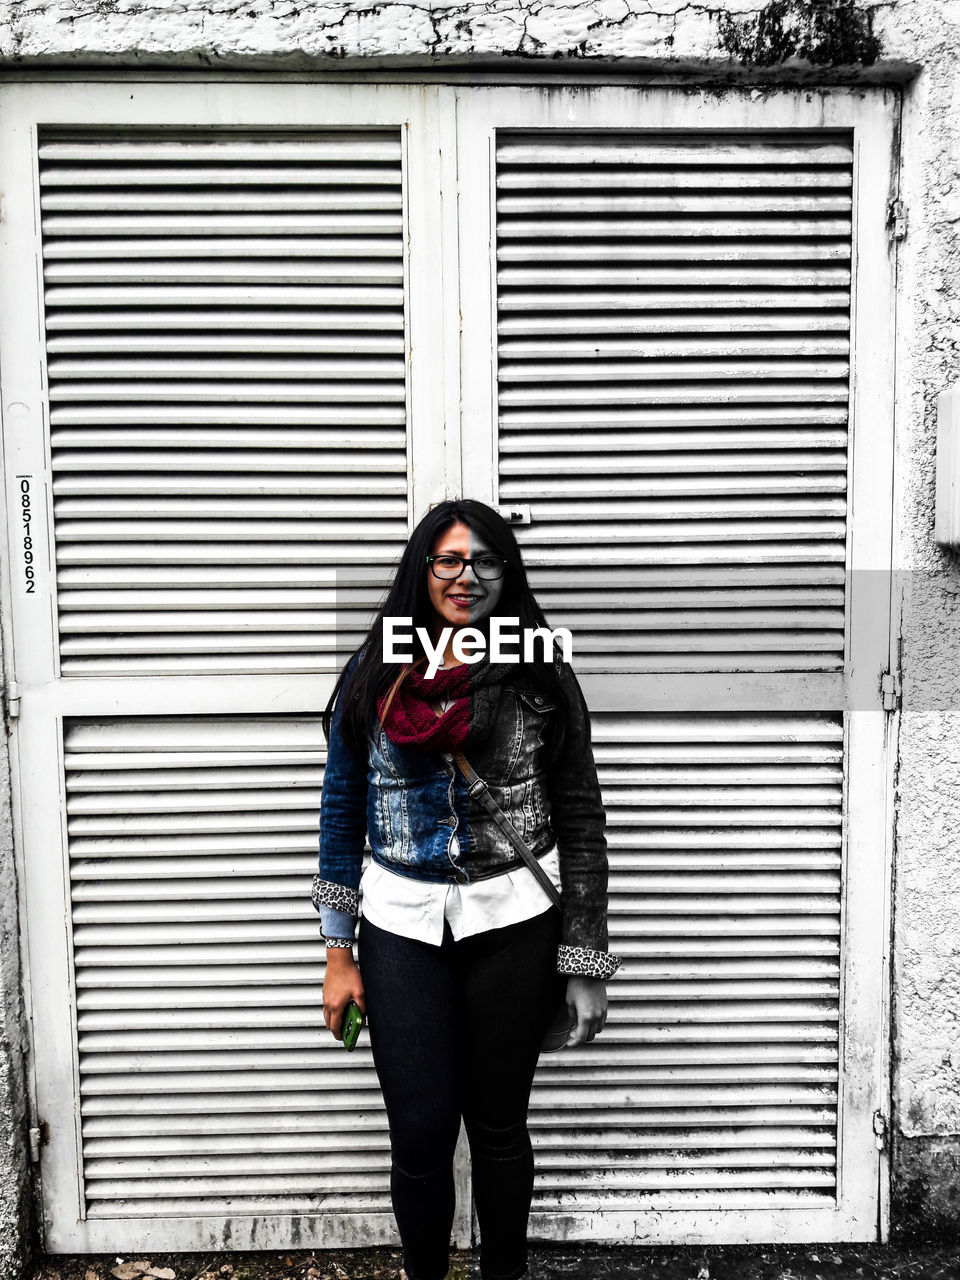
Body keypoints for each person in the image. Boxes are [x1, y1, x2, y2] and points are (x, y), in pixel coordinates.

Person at [312, 498, 622, 1280]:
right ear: (423, 571)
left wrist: (585, 962)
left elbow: (581, 815)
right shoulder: (375, 673)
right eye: (448, 559)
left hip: (514, 922)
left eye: (485, 561)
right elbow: (342, 809)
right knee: (418, 1132)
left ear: (506, 574)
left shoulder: (540, 670)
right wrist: (336, 950)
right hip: (399, 924)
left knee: (498, 1127)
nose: (466, 576)